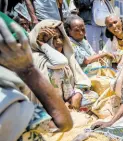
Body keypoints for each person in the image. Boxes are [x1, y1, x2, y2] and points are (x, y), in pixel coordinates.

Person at [0, 12, 72, 141]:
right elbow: (62, 123)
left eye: (61, 37)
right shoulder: (9, 106)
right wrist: (28, 69)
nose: (59, 42)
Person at [29, 19, 98, 109]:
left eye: (60, 37)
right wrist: (42, 44)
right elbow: (60, 62)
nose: (59, 42)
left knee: (93, 96)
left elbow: (80, 80)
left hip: (69, 101)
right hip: (50, 108)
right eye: (53, 38)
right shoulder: (36, 59)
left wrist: (78, 94)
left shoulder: (65, 55)